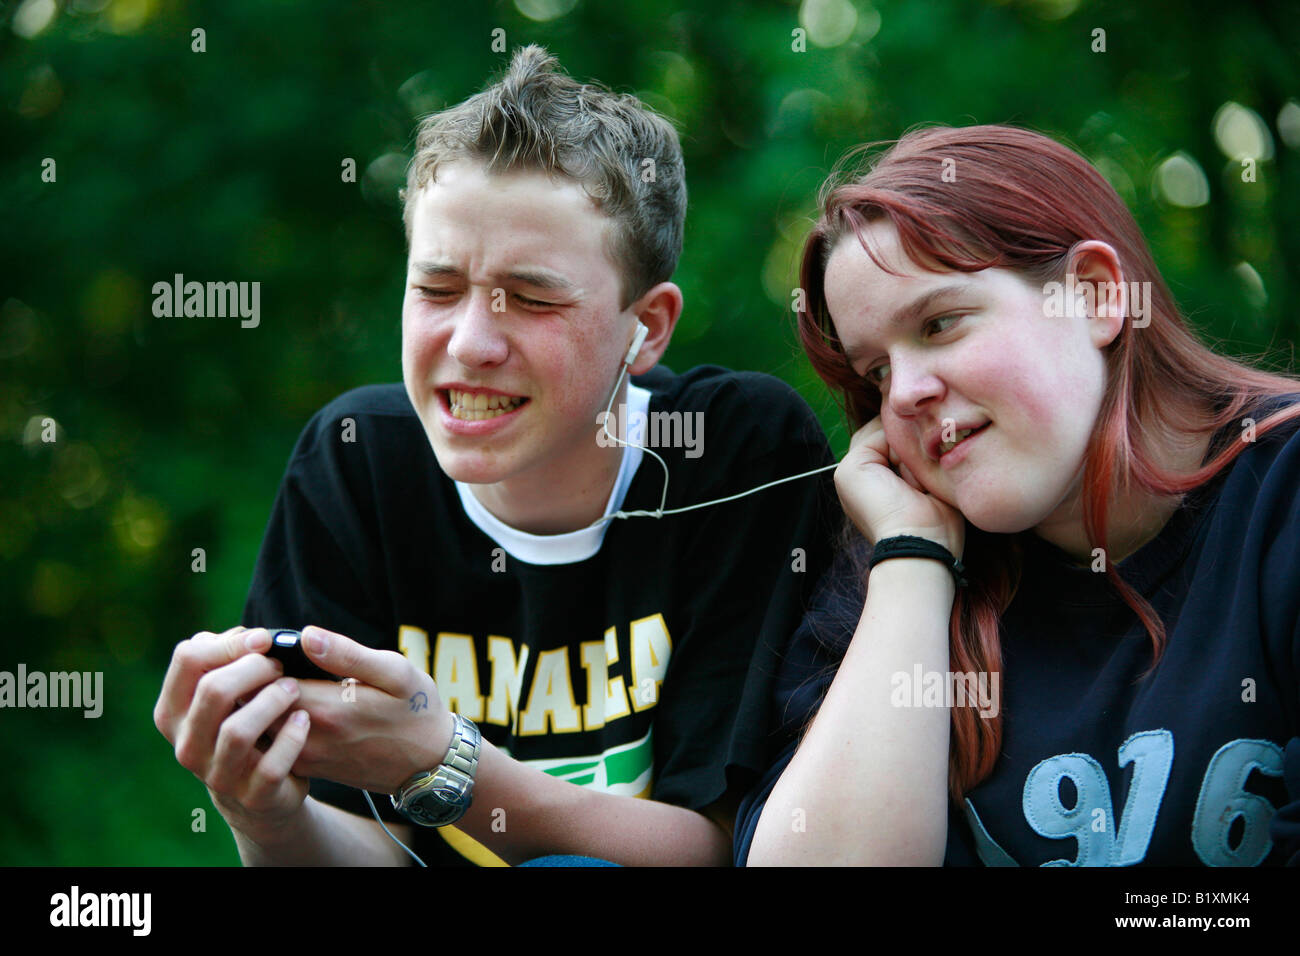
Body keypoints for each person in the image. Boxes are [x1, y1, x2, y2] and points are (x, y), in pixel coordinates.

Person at [153, 46, 836, 866]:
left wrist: (443, 759)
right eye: (436, 290)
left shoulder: (737, 455)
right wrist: (261, 812)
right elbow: (366, 853)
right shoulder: (357, 463)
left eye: (535, 299)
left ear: (646, 327)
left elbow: (726, 850)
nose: (470, 344)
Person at [736, 124, 1300, 867]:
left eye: (940, 324)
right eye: (874, 371)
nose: (903, 394)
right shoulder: (897, 577)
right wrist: (911, 559)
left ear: (1096, 298)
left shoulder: (1281, 495)